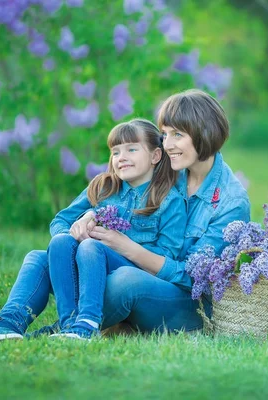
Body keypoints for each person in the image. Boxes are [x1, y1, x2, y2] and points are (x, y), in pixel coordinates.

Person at [0, 118, 187, 341]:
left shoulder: (168, 200)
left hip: (129, 275)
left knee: (91, 245)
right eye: (115, 152)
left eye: (132, 149)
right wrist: (80, 225)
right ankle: (10, 323)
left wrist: (118, 244)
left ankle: (85, 324)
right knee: (45, 252)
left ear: (156, 156)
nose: (121, 157)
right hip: (87, 266)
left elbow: (165, 258)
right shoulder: (104, 187)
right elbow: (59, 221)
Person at [76, 88, 251, 333]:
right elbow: (111, 195)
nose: (167, 145)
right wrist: (91, 214)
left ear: (205, 132)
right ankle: (79, 323)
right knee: (47, 258)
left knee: (124, 281)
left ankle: (71, 328)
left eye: (177, 134)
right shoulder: (165, 167)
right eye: (165, 134)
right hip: (140, 274)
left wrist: (128, 248)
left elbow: (194, 278)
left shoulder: (231, 202)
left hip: (188, 302)